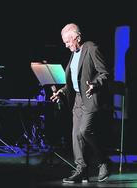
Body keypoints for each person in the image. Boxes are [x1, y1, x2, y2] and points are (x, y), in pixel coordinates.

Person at [50, 23, 111, 183]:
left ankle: (103, 161)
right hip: (77, 99)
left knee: (84, 131)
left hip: (90, 97)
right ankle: (81, 170)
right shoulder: (73, 54)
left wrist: (95, 84)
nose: (66, 45)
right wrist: (61, 92)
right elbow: (72, 82)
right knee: (76, 134)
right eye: (65, 42)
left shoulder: (91, 48)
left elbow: (104, 73)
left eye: (68, 41)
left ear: (77, 37)